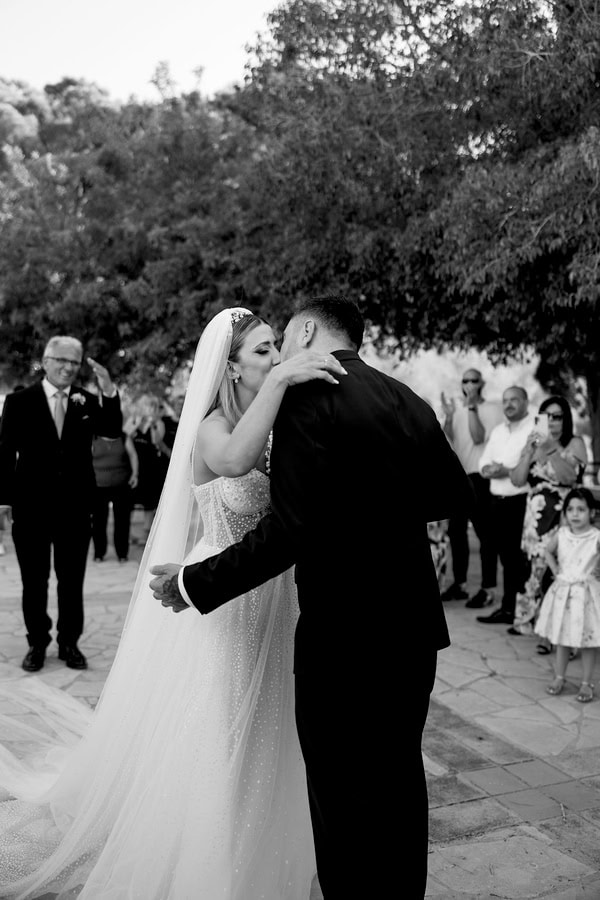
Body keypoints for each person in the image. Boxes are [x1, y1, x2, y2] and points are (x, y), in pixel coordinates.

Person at [0, 308, 344, 899]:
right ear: (231, 367)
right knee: (223, 718)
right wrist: (287, 380)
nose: (277, 359)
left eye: (275, 350)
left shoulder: (286, 418)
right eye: (263, 352)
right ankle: (214, 849)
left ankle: (273, 834)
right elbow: (236, 462)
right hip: (224, 596)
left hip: (278, 593)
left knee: (274, 719)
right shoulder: (211, 426)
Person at [150, 295, 473, 899]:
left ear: (304, 330)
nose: (279, 359)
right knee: (400, 779)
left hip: (342, 635)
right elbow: (452, 496)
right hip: (413, 629)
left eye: (282, 344)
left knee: (340, 793)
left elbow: (293, 530)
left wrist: (196, 583)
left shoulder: (308, 398)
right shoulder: (407, 398)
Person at [0, 337, 121, 672]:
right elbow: (5, 453)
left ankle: (69, 642)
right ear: (46, 360)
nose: (69, 367)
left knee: (71, 581)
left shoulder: (86, 402)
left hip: (76, 509)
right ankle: (37, 643)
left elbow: (112, 430)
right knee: (34, 581)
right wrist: (3, 500)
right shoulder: (18, 401)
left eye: (75, 362)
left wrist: (108, 389)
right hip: (31, 509)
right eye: (62, 361)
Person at [508, 396, 587, 647]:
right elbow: (518, 480)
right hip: (533, 522)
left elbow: (568, 477)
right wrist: (530, 451)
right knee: (531, 571)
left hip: (562, 519)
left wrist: (551, 448)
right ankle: (530, 621)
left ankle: (558, 634)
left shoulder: (574, 443)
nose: (551, 421)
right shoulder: (532, 443)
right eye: (546, 416)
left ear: (566, 419)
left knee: (558, 574)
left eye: (557, 416)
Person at [440, 368, 503, 606]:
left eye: (473, 380)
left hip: (481, 477)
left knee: (485, 535)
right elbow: (449, 441)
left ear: (482, 383)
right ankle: (460, 585)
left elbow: (477, 437)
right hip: (460, 476)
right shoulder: (455, 409)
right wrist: (448, 416)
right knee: (456, 533)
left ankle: (487, 589)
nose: (469, 384)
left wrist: (472, 406)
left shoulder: (492, 409)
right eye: (465, 380)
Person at [475, 386, 535, 626]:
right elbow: (483, 462)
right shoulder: (499, 430)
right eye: (505, 400)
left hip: (520, 501)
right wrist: (491, 469)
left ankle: (517, 609)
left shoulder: (535, 429)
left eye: (514, 400)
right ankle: (509, 607)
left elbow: (526, 467)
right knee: (504, 555)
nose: (508, 404)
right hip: (496, 501)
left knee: (518, 558)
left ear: (525, 401)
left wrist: (503, 469)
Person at [536, 487, 600, 702]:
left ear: (592, 512)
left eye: (581, 509)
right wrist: (555, 570)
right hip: (563, 593)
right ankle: (559, 676)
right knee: (562, 637)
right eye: (570, 509)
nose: (575, 514)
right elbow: (547, 550)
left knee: (589, 639)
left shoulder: (596, 537)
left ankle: (586, 682)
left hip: (587, 595)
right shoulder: (561, 534)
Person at [126, 394, 171, 542]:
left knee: (149, 502)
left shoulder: (159, 423)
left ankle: (146, 534)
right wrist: (136, 424)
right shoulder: (133, 420)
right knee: (131, 500)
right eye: (147, 405)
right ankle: (129, 533)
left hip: (151, 466)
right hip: (134, 465)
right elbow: (124, 437)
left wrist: (152, 425)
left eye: (153, 406)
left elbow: (156, 441)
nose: (150, 409)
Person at [91, 428, 139, 562]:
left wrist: (135, 474)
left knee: (122, 520)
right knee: (98, 521)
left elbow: (133, 455)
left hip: (121, 484)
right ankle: (99, 553)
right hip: (98, 486)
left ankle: (122, 553)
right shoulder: (93, 436)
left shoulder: (123, 437)